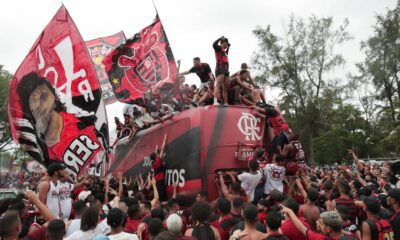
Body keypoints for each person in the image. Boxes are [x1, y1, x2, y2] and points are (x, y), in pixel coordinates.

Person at [16, 73, 104, 176]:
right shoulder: (45, 154)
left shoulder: (86, 118)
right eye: (34, 107)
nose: (41, 107)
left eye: (43, 97)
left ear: (55, 96)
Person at [281, 206, 355, 240]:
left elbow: (301, 228)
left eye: (320, 223)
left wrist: (290, 212)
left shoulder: (320, 238)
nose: (317, 222)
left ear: (328, 229)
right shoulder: (353, 237)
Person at [213, 36, 230, 105]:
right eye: (227, 44)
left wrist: (229, 47)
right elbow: (214, 45)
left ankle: (226, 103)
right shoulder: (218, 48)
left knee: (225, 87)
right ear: (223, 42)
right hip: (220, 68)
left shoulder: (224, 51)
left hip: (226, 70)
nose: (227, 45)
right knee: (218, 85)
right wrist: (220, 38)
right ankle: (215, 101)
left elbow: (226, 52)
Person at [151, 134, 168, 201]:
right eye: (156, 154)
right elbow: (162, 149)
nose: (158, 154)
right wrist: (165, 138)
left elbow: (155, 154)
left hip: (157, 181)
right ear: (156, 157)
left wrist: (156, 148)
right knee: (162, 197)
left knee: (160, 196)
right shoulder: (158, 161)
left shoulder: (153, 162)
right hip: (160, 181)